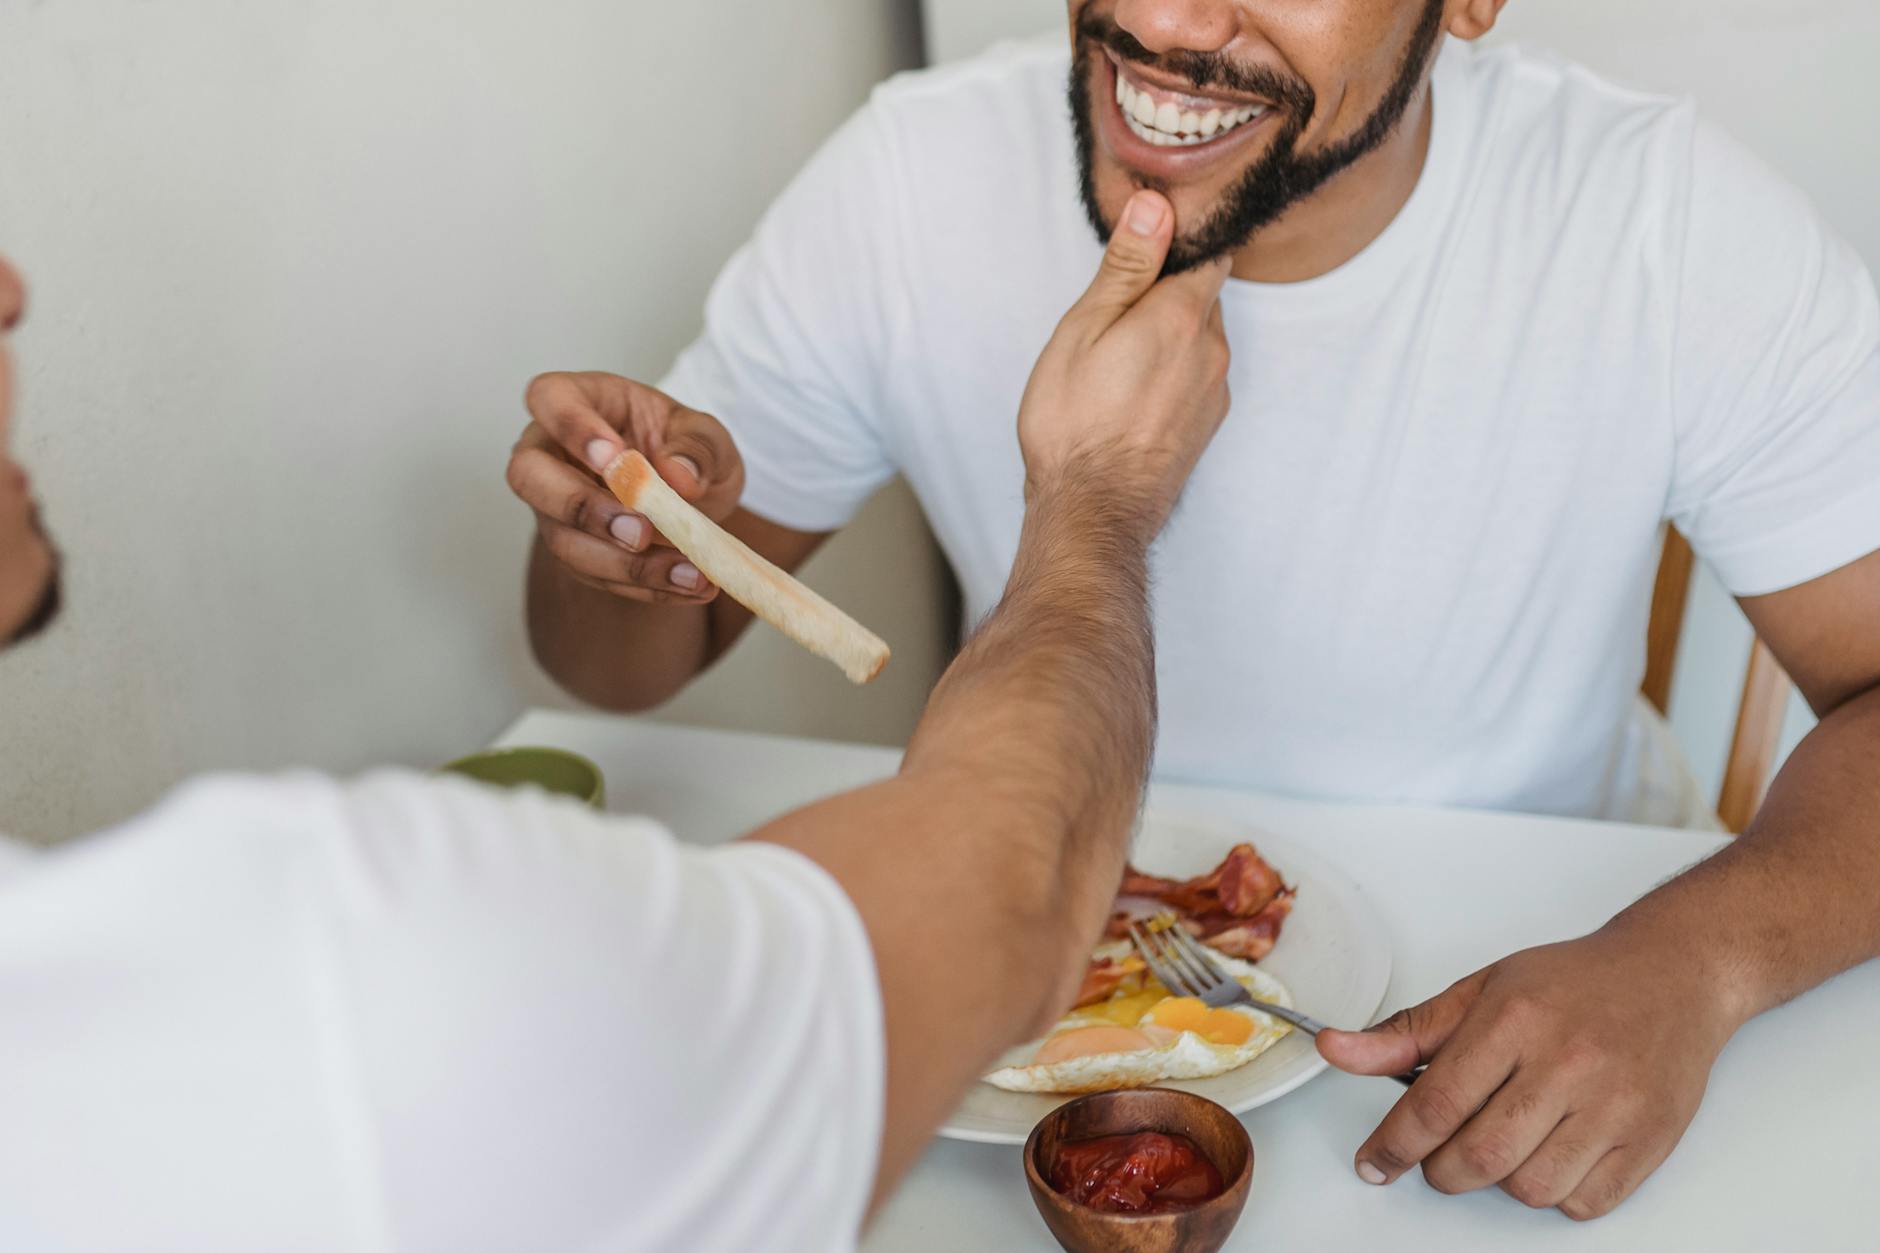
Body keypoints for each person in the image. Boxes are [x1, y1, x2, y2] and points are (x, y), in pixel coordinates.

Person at [505, 0, 1880, 1222]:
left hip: (1525, 1001)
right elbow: (626, 669)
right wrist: (608, 550)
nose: (1165, 23)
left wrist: (1692, 965)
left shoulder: (1664, 217)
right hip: (1040, 1039)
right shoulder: (906, 180)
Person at [0, 207, 1231, 1250]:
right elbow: (1012, 883)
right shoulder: (358, 962)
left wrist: (626, 548)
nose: (10, 290)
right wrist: (1097, 493)